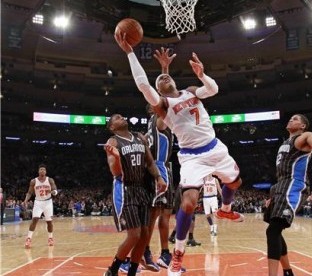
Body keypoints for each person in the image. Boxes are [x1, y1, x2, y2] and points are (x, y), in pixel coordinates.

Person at [114, 33, 244, 276]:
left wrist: (201, 74)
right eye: (159, 79)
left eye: (165, 75)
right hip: (191, 156)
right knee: (187, 204)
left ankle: (225, 209)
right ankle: (177, 255)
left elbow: (213, 89)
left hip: (215, 147)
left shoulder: (191, 90)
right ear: (158, 92)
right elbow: (143, 84)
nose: (162, 77)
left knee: (235, 182)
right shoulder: (162, 106)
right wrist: (130, 52)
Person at [264, 92, 312, 276]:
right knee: (275, 230)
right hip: (280, 187)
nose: (290, 120)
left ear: (301, 125)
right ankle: (287, 272)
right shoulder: (285, 142)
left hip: (293, 186)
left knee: (273, 230)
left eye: (294, 119)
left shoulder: (305, 137)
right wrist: (272, 196)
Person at [103, 114, 166, 276]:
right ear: (112, 127)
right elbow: (115, 172)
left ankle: (132, 271)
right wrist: (117, 158)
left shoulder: (139, 137)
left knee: (144, 236)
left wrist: (158, 177)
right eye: (117, 117)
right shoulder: (113, 142)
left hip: (142, 189)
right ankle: (112, 270)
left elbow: (150, 162)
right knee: (134, 234)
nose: (122, 117)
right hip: (125, 189)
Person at [141, 103, 178, 271]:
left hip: (163, 168)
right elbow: (164, 105)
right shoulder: (158, 119)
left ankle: (164, 254)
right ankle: (145, 251)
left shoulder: (152, 122)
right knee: (154, 214)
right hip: (158, 168)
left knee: (164, 213)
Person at [23, 164, 58, 249]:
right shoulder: (33, 181)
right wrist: (26, 200)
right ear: (38, 171)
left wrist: (52, 192)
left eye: (44, 170)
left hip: (48, 202)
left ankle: (50, 238)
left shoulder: (50, 180)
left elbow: (55, 191)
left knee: (49, 222)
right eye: (41, 169)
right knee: (35, 219)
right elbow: (30, 192)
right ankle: (28, 239)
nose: (42, 171)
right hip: (38, 202)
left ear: (46, 172)